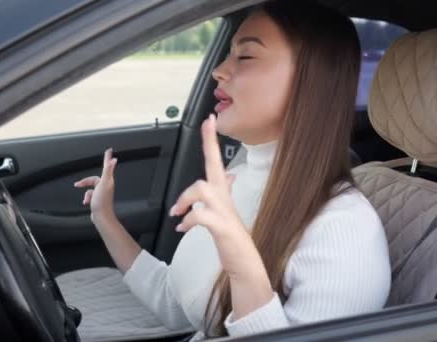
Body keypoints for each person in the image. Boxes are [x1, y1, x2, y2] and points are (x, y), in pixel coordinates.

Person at [73, 0, 391, 339]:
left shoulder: (344, 231)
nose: (219, 70)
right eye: (228, 53)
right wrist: (104, 218)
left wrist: (240, 259)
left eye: (246, 56)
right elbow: (175, 304)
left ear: (311, 80)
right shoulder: (238, 180)